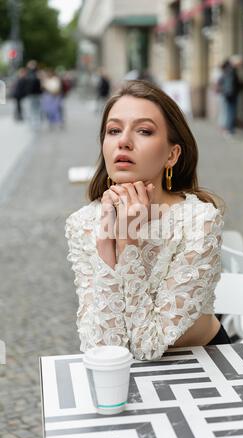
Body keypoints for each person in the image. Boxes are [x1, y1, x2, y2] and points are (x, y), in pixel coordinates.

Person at [65, 80, 230, 362]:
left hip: (203, 360)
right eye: (113, 130)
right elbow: (101, 347)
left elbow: (147, 346)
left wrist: (127, 242)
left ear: (172, 154)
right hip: (127, 370)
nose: (124, 141)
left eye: (143, 131)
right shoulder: (83, 223)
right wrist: (107, 243)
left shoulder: (199, 220)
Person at [219, 55, 243, 135]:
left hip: (229, 94)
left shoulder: (228, 69)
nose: (240, 65)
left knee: (228, 111)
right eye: (239, 63)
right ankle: (229, 129)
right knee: (230, 112)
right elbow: (230, 84)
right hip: (231, 95)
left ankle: (227, 128)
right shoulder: (231, 70)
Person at [23, 60, 42, 130]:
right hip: (35, 94)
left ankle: (34, 124)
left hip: (33, 94)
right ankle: (35, 123)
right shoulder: (36, 74)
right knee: (35, 109)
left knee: (33, 109)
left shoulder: (31, 74)